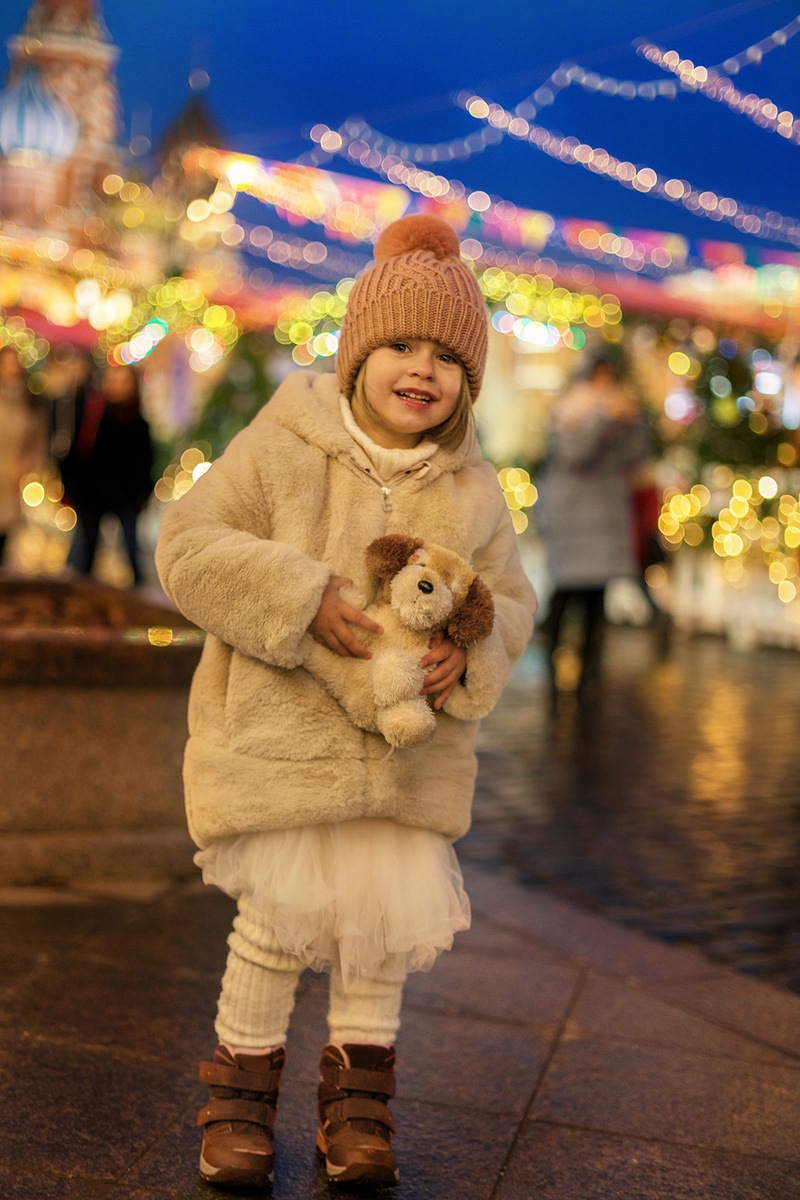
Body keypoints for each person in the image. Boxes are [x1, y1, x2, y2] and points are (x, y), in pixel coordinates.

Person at [155, 214, 535, 1190]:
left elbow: (511, 601)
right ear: (357, 353)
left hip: (406, 768)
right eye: (401, 346)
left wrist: (471, 650)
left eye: (447, 357)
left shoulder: (473, 489)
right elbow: (190, 546)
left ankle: (356, 1108)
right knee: (274, 929)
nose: (421, 370)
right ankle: (238, 1096)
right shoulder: (284, 443)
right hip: (287, 752)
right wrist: (297, 594)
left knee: (375, 942)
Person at [536, 348, 650, 703]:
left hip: (605, 516)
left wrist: (634, 420)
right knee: (565, 593)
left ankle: (590, 678)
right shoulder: (569, 410)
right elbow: (574, 455)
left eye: (609, 376)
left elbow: (636, 456)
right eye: (597, 376)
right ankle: (551, 674)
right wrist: (603, 417)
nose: (604, 384)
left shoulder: (623, 409)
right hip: (571, 516)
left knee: (597, 600)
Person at [60, 363, 154, 584]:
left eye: (123, 381)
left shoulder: (139, 424)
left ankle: (138, 601)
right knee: (84, 556)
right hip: (92, 498)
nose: (117, 386)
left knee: (132, 553)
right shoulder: (91, 417)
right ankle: (79, 599)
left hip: (126, 499)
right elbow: (78, 454)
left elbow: (145, 463)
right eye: (113, 380)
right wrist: (76, 489)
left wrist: (139, 496)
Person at [0, 346, 47, 566]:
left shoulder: (29, 403)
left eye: (14, 363)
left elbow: (38, 442)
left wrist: (27, 466)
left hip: (11, 485)